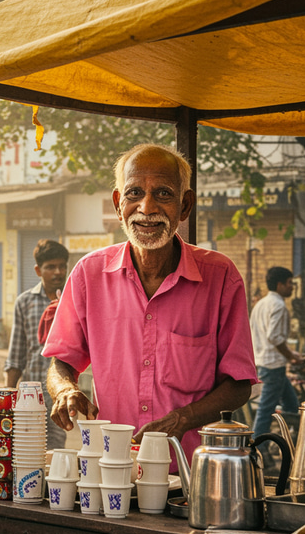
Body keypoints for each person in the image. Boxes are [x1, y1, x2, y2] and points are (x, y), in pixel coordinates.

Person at [43, 143, 257, 463]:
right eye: (134, 193)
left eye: (163, 194)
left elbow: (239, 383)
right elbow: (61, 361)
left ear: (185, 206)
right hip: (115, 470)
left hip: (191, 474)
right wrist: (64, 390)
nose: (146, 207)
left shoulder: (221, 277)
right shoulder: (89, 274)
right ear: (118, 204)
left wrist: (183, 419)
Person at [5, 239, 69, 450]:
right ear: (38, 270)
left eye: (62, 266)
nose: (57, 272)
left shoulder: (75, 300)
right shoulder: (25, 302)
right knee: (27, 448)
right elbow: (17, 354)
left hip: (61, 394)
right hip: (31, 392)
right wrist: (8, 395)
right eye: (50, 267)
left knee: (56, 451)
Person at [249, 266, 304, 438]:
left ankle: (292, 439)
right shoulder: (278, 306)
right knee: (266, 410)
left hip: (265, 362)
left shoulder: (261, 304)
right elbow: (274, 337)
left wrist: (290, 355)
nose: (292, 287)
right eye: (289, 283)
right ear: (279, 284)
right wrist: (291, 356)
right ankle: (257, 449)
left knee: (292, 405)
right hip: (273, 366)